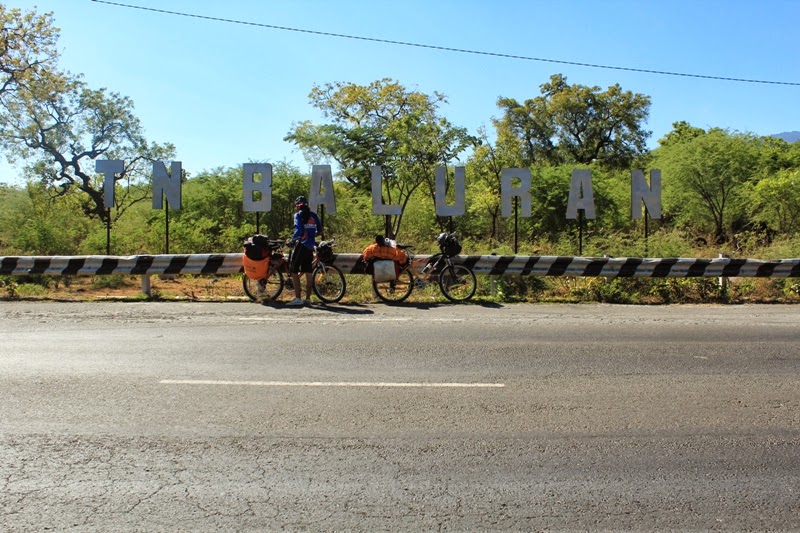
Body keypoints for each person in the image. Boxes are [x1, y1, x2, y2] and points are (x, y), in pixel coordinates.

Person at [286, 196, 322, 306]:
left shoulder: (298, 215)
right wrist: (311, 235)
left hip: (301, 244)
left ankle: (297, 298)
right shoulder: (314, 215)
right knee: (308, 271)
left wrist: (291, 240)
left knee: (293, 270)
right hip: (310, 246)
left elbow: (299, 230)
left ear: (297, 206)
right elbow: (320, 231)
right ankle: (307, 299)